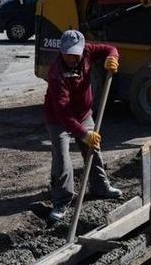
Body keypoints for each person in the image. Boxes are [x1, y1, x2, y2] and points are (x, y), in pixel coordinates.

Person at [44, 30, 122, 222]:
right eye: (67, 53)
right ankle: (62, 200)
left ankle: (99, 187)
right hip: (58, 119)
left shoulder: (87, 51)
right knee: (62, 159)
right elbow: (63, 112)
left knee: (93, 150)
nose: (72, 57)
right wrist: (82, 133)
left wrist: (112, 58)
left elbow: (110, 49)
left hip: (84, 113)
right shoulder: (56, 74)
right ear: (61, 51)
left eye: (75, 54)